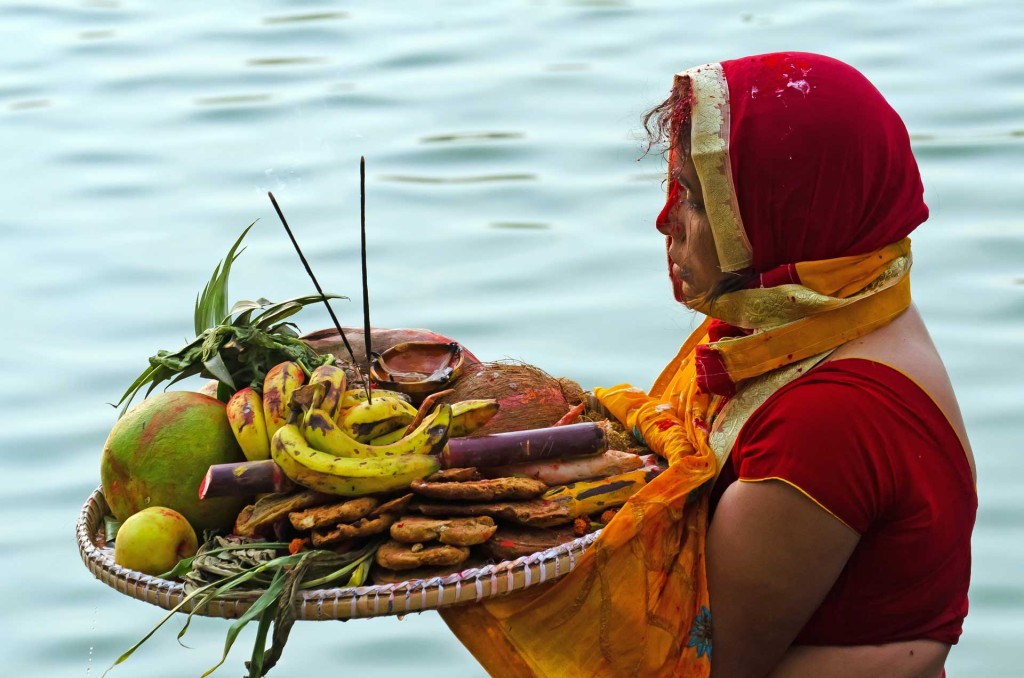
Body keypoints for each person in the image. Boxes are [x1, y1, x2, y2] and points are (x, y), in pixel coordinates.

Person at [441, 52, 977, 678]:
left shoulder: (826, 419)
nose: (665, 220)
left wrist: (454, 544)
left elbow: (689, 663)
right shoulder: (835, 310)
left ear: (790, 211)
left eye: (696, 196)